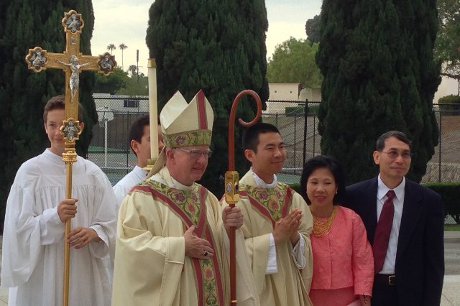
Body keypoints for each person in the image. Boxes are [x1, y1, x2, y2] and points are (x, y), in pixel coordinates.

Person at [111, 90, 258, 306]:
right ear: (170, 154)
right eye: (193, 153)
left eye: (205, 153)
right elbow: (130, 253)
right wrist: (180, 247)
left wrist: (227, 229)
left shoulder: (207, 198)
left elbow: (219, 250)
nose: (201, 161)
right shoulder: (142, 199)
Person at [1, 95, 117, 306]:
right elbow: (17, 231)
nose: (58, 133)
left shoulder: (93, 174)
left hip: (84, 271)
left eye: (65, 125)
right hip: (42, 274)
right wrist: (54, 218)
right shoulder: (30, 173)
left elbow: (112, 222)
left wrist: (95, 232)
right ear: (45, 127)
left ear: (79, 127)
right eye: (52, 125)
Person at [344, 130, 444, 306]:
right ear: (376, 156)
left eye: (406, 154)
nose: (400, 160)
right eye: (393, 153)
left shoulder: (429, 201)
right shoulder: (354, 197)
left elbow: (434, 263)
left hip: (409, 295)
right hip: (365, 293)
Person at [231, 122, 314, 306]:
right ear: (249, 155)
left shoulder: (292, 197)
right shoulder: (235, 201)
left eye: (281, 146)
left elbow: (307, 244)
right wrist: (273, 239)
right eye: (270, 148)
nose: (279, 154)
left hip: (291, 288)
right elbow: (230, 252)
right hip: (258, 295)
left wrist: (294, 238)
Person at [299, 155, 374, 306]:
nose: (320, 189)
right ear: (305, 186)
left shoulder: (352, 219)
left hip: (348, 300)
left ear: (337, 187)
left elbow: (363, 261)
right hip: (306, 297)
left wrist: (362, 299)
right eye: (314, 182)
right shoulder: (297, 219)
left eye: (327, 183)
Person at [113, 115, 164, 207]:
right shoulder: (123, 190)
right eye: (153, 139)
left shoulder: (173, 185)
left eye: (164, 140)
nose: (161, 145)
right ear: (135, 146)